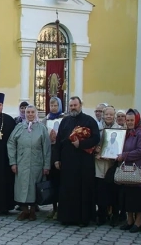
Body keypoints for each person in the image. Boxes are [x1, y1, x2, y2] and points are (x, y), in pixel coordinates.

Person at [52, 96, 100, 226]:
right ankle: (67, 217)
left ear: (80, 105)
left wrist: (81, 144)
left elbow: (96, 138)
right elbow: (58, 141)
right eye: (71, 105)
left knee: (82, 190)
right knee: (68, 189)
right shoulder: (65, 121)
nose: (73, 107)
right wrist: (56, 159)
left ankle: (83, 219)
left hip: (84, 163)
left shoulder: (89, 121)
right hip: (67, 162)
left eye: (75, 105)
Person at [8, 105, 50, 221]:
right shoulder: (19, 127)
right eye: (28, 112)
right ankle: (24, 210)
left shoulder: (42, 128)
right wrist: (13, 162)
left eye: (32, 112)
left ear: (36, 113)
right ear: (25, 114)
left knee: (34, 187)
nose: (30, 114)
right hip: (21, 163)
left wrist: (46, 165)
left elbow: (46, 148)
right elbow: (11, 143)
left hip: (37, 163)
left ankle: (32, 210)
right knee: (22, 187)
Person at [118, 109, 141, 233]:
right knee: (128, 196)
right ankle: (130, 220)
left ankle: (138, 222)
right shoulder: (126, 133)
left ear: (137, 119)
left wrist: (124, 155)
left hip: (138, 170)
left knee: (138, 197)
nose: (130, 122)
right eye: (128, 120)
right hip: (127, 170)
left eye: (132, 120)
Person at [94, 106, 121, 226]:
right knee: (100, 191)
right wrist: (96, 149)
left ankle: (115, 215)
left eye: (111, 114)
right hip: (99, 164)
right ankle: (102, 215)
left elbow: (121, 147)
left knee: (114, 191)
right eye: (107, 114)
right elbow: (92, 143)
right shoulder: (97, 129)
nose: (109, 116)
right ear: (103, 115)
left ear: (114, 116)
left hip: (113, 165)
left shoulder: (120, 130)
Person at [41, 96, 64, 220]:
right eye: (52, 105)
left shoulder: (64, 118)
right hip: (49, 153)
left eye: (56, 105)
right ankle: (53, 208)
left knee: (60, 182)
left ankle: (60, 208)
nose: (54, 108)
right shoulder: (46, 119)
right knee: (52, 182)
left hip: (60, 154)